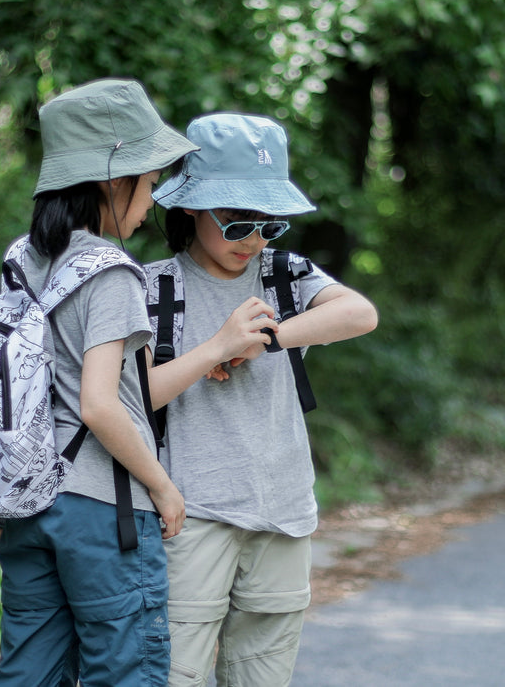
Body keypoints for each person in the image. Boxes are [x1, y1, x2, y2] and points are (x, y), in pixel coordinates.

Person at [146, 112, 379, 687]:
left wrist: (265, 340)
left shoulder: (284, 275)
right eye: (234, 221)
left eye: (267, 224)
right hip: (189, 512)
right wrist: (214, 348)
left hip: (283, 509)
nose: (252, 239)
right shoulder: (153, 288)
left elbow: (360, 314)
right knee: (175, 674)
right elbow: (133, 396)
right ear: (189, 208)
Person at [0, 77, 199, 687]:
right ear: (114, 179)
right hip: (102, 512)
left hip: (28, 501)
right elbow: (101, 406)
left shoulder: (22, 259)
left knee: (29, 671)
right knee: (124, 668)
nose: (151, 196)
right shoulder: (110, 274)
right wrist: (162, 486)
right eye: (149, 180)